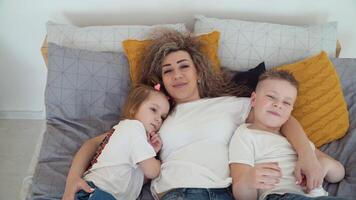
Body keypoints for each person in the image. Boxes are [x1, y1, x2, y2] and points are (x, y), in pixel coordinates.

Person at [62, 29, 325, 200]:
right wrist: (73, 179)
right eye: (168, 70)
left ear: (198, 72)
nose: (177, 75)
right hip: (174, 192)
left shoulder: (231, 104)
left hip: (223, 192)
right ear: (161, 81)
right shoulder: (156, 118)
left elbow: (282, 117)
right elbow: (96, 142)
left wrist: (307, 156)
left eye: (183, 66)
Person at [229, 70, 345, 200]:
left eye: (286, 103)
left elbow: (339, 173)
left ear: (291, 111)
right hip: (281, 195)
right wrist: (248, 181)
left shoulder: (298, 141)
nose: (278, 105)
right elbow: (241, 193)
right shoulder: (245, 134)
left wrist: (322, 167)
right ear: (254, 100)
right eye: (271, 97)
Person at [64, 84, 170, 200]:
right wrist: (159, 163)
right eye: (153, 110)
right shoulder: (134, 127)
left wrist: (150, 151)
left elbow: (139, 178)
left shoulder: (124, 133)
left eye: (163, 117)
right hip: (98, 192)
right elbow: (152, 171)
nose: (158, 119)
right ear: (134, 108)